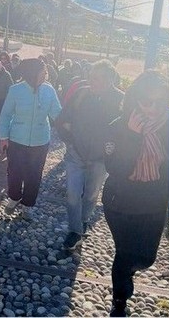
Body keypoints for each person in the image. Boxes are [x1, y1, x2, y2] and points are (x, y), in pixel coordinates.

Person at [102, 70, 168, 317]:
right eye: (146, 101)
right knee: (125, 252)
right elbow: (117, 169)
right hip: (121, 202)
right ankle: (120, 300)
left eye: (159, 102)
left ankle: (126, 271)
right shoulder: (117, 127)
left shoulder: (168, 127)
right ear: (135, 99)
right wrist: (131, 136)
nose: (152, 108)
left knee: (147, 258)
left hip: (154, 203)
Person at [57, 60, 124, 251]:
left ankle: (84, 220)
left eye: (97, 79)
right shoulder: (81, 94)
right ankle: (74, 232)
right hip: (75, 154)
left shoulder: (121, 101)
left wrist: (113, 149)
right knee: (72, 193)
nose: (92, 82)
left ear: (110, 80)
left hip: (101, 158)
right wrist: (69, 140)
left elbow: (124, 131)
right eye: (91, 77)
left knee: (91, 194)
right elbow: (62, 120)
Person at [0, 58, 62, 220]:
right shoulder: (16, 90)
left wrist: (70, 127)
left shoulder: (49, 91)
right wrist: (3, 137)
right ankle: (14, 197)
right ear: (31, 74)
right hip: (17, 140)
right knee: (14, 172)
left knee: (34, 175)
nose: (46, 75)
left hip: (40, 141)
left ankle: (27, 205)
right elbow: (6, 114)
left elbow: (57, 114)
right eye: (42, 72)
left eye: (46, 72)